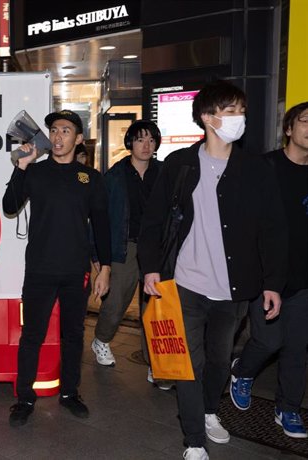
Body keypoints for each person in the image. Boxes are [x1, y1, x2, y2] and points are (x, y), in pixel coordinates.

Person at [138, 80, 287, 460]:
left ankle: (207, 411)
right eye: (231, 111)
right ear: (207, 117)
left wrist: (273, 283)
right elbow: (153, 220)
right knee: (189, 362)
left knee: (219, 361)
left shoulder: (256, 169)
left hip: (233, 289)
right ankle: (193, 441)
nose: (240, 119)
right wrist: (151, 269)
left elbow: (272, 227)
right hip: (186, 282)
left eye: (241, 112)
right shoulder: (180, 164)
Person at [2, 109, 111, 427]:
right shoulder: (35, 172)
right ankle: (24, 398)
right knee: (32, 336)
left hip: (77, 271)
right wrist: (21, 167)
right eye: (53, 130)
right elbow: (10, 206)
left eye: (65, 131)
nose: (57, 136)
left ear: (79, 139)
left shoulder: (90, 178)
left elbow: (102, 225)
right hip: (39, 269)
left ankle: (69, 393)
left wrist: (105, 268)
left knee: (74, 335)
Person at [229, 101, 308, 438]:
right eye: (306, 121)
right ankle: (242, 372)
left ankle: (288, 408)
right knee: (268, 341)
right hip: (264, 275)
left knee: (297, 346)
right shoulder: (265, 167)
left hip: (303, 277)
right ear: (288, 129)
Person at [90, 120, 171, 387]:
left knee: (155, 308)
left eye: (150, 140)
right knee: (115, 303)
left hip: (156, 247)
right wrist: (98, 259)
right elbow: (99, 218)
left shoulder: (164, 173)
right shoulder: (114, 177)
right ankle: (101, 340)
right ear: (130, 144)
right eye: (140, 139)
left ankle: (155, 363)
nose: (146, 145)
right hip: (124, 246)